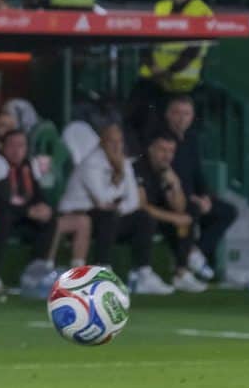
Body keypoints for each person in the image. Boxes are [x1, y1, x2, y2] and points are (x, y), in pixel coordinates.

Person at [58, 124, 172, 295]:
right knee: (107, 215)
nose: (116, 146)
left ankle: (142, 274)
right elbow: (102, 199)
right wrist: (119, 182)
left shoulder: (124, 163)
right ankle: (102, 270)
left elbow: (133, 201)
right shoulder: (91, 163)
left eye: (119, 141)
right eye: (112, 141)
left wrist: (119, 202)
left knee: (143, 217)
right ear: (102, 143)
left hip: (111, 217)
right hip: (79, 215)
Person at [130, 0, 213, 148]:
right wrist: (153, 67)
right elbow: (147, 40)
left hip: (182, 86)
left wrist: (168, 71)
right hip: (154, 82)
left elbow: (194, 50)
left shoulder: (201, 11)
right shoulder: (161, 6)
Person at [162, 95, 237, 280]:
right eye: (177, 113)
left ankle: (195, 253)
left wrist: (205, 197)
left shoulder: (192, 139)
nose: (181, 118)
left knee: (227, 211)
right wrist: (192, 199)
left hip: (193, 197)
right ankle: (185, 264)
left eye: (186, 113)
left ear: (192, 116)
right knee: (192, 209)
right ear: (168, 115)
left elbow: (197, 173)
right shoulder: (162, 140)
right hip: (169, 199)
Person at [0, 130, 57, 292]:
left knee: (49, 220)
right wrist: (27, 211)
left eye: (21, 145)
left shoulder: (27, 165)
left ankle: (36, 273)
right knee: (3, 217)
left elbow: (37, 193)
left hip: (20, 215)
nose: (16, 150)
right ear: (3, 146)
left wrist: (43, 207)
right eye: (12, 145)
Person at [133, 132, 207, 292]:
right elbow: (141, 205)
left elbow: (179, 208)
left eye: (170, 151)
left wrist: (176, 184)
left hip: (159, 219)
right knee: (148, 219)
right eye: (162, 150)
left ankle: (181, 272)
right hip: (134, 219)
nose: (166, 155)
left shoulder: (166, 171)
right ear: (151, 149)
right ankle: (144, 275)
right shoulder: (138, 168)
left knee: (189, 212)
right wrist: (174, 218)